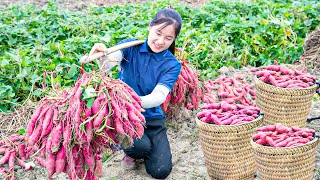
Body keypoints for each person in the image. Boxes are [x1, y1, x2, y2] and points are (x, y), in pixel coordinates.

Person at [88, 7, 182, 179]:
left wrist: (128, 100)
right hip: (125, 117)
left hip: (152, 118)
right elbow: (108, 64)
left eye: (168, 38)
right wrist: (101, 54)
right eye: (158, 33)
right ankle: (132, 150)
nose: (160, 41)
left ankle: (143, 147)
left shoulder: (172, 64)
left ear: (174, 39)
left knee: (160, 171)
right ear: (150, 27)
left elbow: (158, 97)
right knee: (139, 147)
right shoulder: (130, 46)